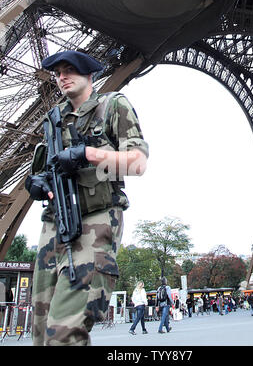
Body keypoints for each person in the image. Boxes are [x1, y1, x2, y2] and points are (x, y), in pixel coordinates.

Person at [25, 50, 149, 346]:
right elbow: (44, 170)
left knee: (64, 334)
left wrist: (88, 154)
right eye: (57, 73)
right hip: (54, 224)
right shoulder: (54, 120)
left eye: (69, 70)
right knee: (41, 334)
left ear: (89, 74)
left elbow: (138, 163)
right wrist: (38, 183)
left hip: (95, 221)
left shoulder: (112, 106)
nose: (62, 77)